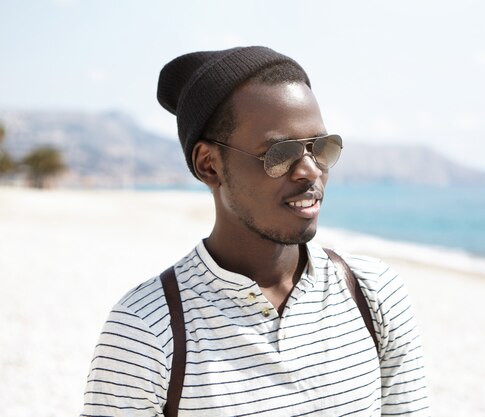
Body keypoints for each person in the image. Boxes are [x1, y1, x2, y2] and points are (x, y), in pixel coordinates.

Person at [82, 46, 429, 416]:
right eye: (281, 153)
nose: (310, 171)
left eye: (320, 147)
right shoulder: (146, 328)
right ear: (209, 165)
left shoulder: (373, 294)